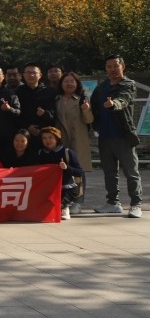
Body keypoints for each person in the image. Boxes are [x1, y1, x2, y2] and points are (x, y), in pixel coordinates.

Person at [89, 54, 141, 218]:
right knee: (110, 173)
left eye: (115, 66)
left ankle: (135, 204)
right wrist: (95, 124)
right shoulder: (101, 87)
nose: (112, 69)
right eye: (109, 66)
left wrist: (113, 104)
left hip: (123, 136)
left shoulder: (128, 84)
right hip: (105, 136)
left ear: (122, 67)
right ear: (106, 69)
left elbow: (124, 100)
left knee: (131, 173)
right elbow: (93, 106)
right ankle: (113, 203)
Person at [38, 126, 84, 220]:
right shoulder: (40, 153)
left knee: (61, 201)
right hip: (48, 188)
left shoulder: (67, 152)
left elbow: (79, 172)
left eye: (50, 137)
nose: (47, 140)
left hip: (66, 188)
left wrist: (67, 168)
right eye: (44, 138)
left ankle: (64, 207)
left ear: (57, 138)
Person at [54, 72, 94, 173]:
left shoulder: (82, 99)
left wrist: (85, 110)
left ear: (77, 83)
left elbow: (89, 120)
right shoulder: (55, 99)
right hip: (60, 140)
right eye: (66, 81)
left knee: (78, 172)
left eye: (72, 81)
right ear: (61, 84)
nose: (69, 84)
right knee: (61, 172)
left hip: (78, 140)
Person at [15, 62, 56, 148]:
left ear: (40, 75)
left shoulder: (49, 92)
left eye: (34, 73)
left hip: (45, 135)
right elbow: (15, 114)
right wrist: (27, 127)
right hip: (24, 135)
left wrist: (44, 113)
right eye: (28, 73)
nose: (31, 75)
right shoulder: (17, 92)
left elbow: (54, 113)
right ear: (23, 75)